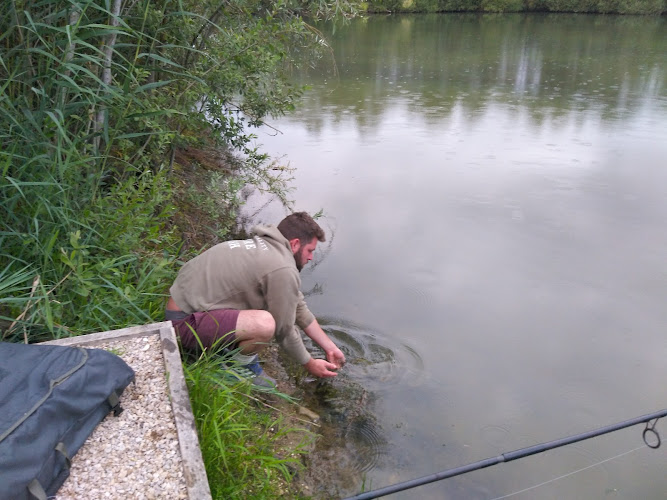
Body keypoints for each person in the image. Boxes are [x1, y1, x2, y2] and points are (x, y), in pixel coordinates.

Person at [165, 211, 346, 388]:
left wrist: (329, 347)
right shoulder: (282, 268)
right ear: (295, 244)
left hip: (183, 313)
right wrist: (309, 363)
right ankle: (236, 369)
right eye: (310, 251)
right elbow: (284, 330)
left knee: (264, 311)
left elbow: (298, 306)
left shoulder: (266, 249)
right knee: (265, 323)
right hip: (181, 328)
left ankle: (224, 350)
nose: (311, 257)